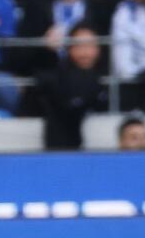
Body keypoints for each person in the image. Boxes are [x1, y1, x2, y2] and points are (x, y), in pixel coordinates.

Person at [30, 22, 108, 150]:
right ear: (69, 48)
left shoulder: (109, 77)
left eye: (89, 45)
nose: (85, 52)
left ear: (98, 48)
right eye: (79, 45)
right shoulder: (57, 77)